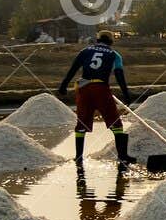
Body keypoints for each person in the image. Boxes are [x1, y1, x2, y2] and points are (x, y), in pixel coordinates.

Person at [58, 31, 135, 165]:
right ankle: (123, 156)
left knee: (81, 123)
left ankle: (78, 157)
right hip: (101, 88)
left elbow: (73, 69)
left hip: (84, 88)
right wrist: (127, 95)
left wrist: (63, 86)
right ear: (111, 42)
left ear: (97, 40)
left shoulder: (85, 51)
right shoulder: (114, 55)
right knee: (115, 123)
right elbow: (119, 75)